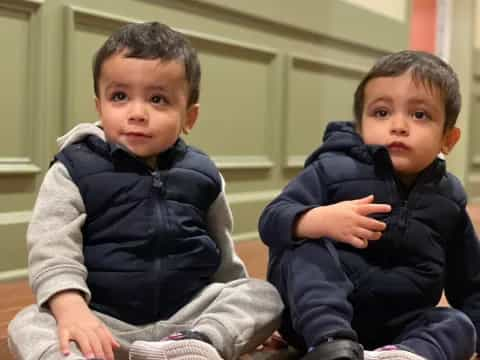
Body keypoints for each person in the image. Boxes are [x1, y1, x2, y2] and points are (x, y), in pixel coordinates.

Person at [8, 21, 282, 360]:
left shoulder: (203, 173)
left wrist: (243, 325)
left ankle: (198, 346)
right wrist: (70, 308)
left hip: (189, 315)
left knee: (263, 295)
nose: (137, 113)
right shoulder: (73, 168)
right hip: (102, 321)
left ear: (189, 117)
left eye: (158, 99)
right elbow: (52, 248)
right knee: (28, 324)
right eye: (119, 97)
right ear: (99, 106)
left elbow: (223, 254)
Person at [258, 50, 480, 360]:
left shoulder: (449, 198)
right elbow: (271, 220)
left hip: (400, 323)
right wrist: (319, 219)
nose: (398, 125)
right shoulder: (333, 171)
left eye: (420, 115)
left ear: (448, 139)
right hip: (318, 321)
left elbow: (469, 282)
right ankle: (332, 346)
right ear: (360, 126)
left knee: (459, 325)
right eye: (381, 113)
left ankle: (401, 355)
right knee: (308, 245)